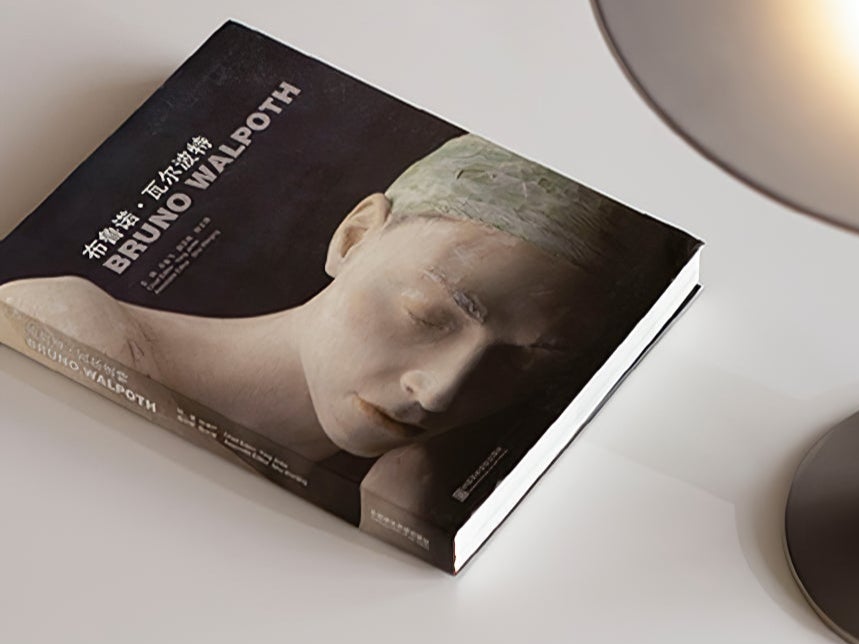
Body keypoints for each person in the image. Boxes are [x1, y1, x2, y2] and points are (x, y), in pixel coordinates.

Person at [0, 135, 651, 485]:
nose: (440, 391)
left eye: (523, 361)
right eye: (427, 314)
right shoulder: (72, 323)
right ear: (355, 236)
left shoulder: (391, 489)